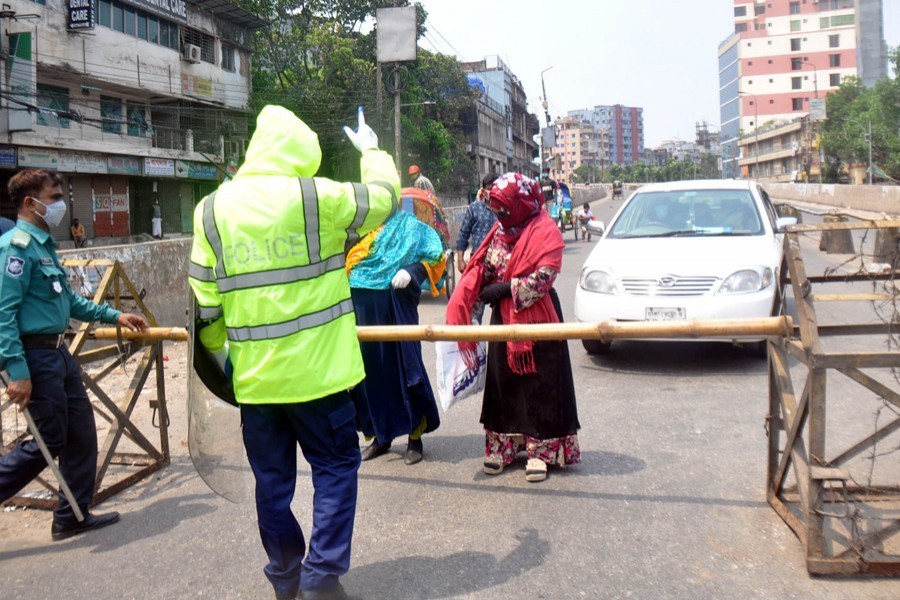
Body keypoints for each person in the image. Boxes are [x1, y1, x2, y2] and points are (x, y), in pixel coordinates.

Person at [189, 105, 399, 600]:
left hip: (256, 383)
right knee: (335, 468)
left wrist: (228, 358)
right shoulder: (317, 196)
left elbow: (205, 306)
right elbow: (386, 199)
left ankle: (286, 578)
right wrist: (372, 151)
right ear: (303, 151)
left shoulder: (210, 211)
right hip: (320, 378)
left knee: (271, 485)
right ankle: (320, 577)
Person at [0, 168, 149, 541]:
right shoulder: (15, 248)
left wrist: (116, 315)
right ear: (30, 203)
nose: (61, 206)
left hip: (58, 353)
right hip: (35, 357)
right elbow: (4, 314)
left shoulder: (44, 247)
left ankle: (72, 515)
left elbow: (69, 302)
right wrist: (17, 370)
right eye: (53, 198)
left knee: (81, 433)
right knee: (48, 439)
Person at [446, 172, 581, 483]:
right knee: (503, 383)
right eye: (496, 210)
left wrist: (506, 289)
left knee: (539, 385)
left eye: (505, 210)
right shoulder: (499, 231)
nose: (500, 216)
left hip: (538, 318)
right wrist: (473, 288)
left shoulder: (545, 231)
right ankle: (503, 447)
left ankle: (540, 451)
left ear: (521, 204)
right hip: (504, 319)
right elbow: (488, 265)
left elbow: (545, 277)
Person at [346, 209, 444, 465]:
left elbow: (435, 256)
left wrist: (412, 272)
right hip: (363, 310)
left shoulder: (410, 226)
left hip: (395, 306)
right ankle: (381, 436)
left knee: (405, 369)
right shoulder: (360, 228)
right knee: (372, 374)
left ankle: (415, 437)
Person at [456, 173, 498, 323]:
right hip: (478, 265)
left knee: (501, 311)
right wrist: (460, 259)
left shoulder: (505, 210)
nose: (493, 192)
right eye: (490, 188)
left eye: (496, 188)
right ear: (484, 190)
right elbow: (463, 234)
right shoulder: (474, 209)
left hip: (499, 268)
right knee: (475, 311)